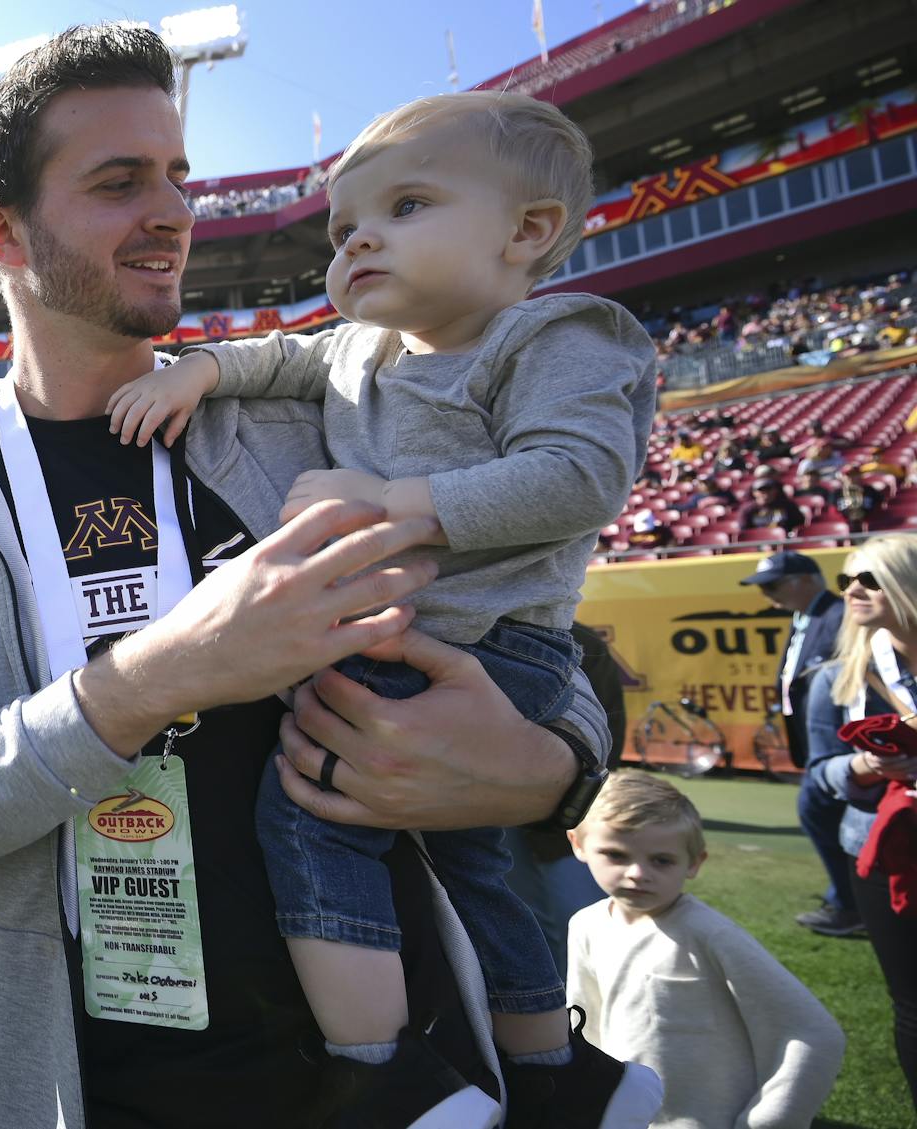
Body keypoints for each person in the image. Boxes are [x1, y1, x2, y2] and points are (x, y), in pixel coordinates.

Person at [0, 25, 616, 1129]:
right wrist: (152, 677)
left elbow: (550, 636)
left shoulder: (313, 419)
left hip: (397, 1085)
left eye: (177, 178)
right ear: (3, 233)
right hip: (76, 1090)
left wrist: (547, 766)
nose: (174, 211)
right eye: (118, 181)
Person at [108, 87, 661, 1127]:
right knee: (471, 861)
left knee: (310, 818)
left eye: (405, 206)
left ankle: (376, 1069)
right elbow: (284, 353)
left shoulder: (558, 336)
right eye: (341, 226)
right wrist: (203, 367)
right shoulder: (360, 346)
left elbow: (577, 476)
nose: (357, 238)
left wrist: (392, 505)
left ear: (526, 232)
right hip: (408, 640)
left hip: (491, 644)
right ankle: (555, 1071)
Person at [566, 771, 846, 1128]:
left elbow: (814, 1032)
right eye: (616, 855)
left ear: (695, 862)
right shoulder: (586, 924)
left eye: (661, 860)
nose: (637, 873)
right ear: (578, 845)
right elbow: (584, 1022)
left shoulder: (709, 934)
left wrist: (767, 1120)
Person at [806, 535, 917, 1110]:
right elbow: (819, 774)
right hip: (880, 852)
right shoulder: (837, 676)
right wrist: (864, 765)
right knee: (912, 1002)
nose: (853, 590)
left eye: (871, 578)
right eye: (850, 578)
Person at [737, 549, 853, 934]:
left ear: (807, 579)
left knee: (821, 813)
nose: (767, 595)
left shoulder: (839, 616)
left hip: (839, 744)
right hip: (816, 742)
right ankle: (850, 897)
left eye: (773, 585)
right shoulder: (807, 615)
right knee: (829, 818)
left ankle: (851, 904)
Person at [502, 624, 625, 972]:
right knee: (520, 936)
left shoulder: (583, 642)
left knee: (592, 931)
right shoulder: (465, 628)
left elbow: (608, 743)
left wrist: (579, 805)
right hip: (491, 820)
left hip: (570, 819)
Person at [737, 479, 805, 533]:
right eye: (761, 491)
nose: (765, 494)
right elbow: (744, 530)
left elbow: (798, 523)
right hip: (757, 543)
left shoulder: (788, 506)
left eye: (768, 490)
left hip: (784, 542)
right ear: (754, 493)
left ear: (775, 491)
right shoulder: (747, 509)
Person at [835, 464, 881, 532]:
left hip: (869, 525)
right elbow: (833, 513)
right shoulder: (837, 493)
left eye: (856, 474)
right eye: (849, 475)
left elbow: (880, 506)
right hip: (845, 526)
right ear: (843, 477)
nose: (853, 477)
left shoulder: (869, 490)